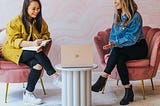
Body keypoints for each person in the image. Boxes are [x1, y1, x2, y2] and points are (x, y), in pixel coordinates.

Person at [2, 0, 61, 105]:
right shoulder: (15, 21)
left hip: (29, 50)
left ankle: (28, 94)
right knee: (37, 52)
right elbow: (13, 41)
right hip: (12, 51)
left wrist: (42, 39)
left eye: (38, 8)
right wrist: (33, 44)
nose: (36, 11)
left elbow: (46, 33)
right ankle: (55, 76)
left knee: (38, 65)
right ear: (26, 8)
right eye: (33, 8)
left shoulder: (39, 21)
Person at [92, 0, 148, 105]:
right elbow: (113, 35)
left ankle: (103, 78)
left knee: (118, 51)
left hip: (138, 48)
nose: (114, 2)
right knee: (119, 58)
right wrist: (112, 51)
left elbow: (131, 38)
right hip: (123, 48)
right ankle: (128, 91)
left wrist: (115, 46)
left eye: (117, 0)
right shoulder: (117, 15)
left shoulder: (135, 16)